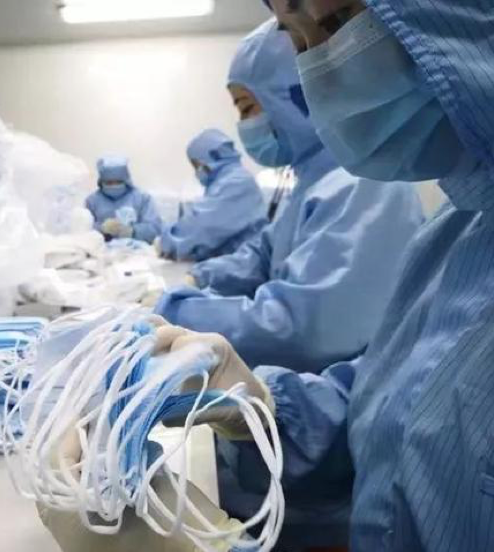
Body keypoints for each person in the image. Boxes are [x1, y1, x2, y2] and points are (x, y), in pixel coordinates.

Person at [39, 1, 494, 551]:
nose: (317, 69)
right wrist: (260, 407)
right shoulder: (460, 226)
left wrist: (174, 303)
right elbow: (389, 406)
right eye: (298, 42)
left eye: (334, 24)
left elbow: (313, 323)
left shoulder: (364, 188)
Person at [156, 19, 424, 377]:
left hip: (332, 393)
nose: (245, 124)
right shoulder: (312, 182)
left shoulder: (364, 184)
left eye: (247, 107)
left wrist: (179, 311)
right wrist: (200, 279)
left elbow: (307, 329)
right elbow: (263, 254)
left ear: (295, 96)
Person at [158, 129, 268, 262]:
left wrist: (168, 242)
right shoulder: (225, 180)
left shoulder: (236, 183)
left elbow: (203, 225)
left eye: (197, 165)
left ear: (212, 157)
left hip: (243, 265)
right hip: (232, 263)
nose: (197, 171)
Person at [86, 156, 162, 244]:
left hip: (137, 250)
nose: (113, 186)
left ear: (126, 180)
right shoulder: (92, 201)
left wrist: (132, 231)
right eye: (109, 183)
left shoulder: (143, 198)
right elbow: (82, 229)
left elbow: (155, 229)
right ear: (101, 182)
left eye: (118, 182)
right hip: (99, 249)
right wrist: (101, 228)